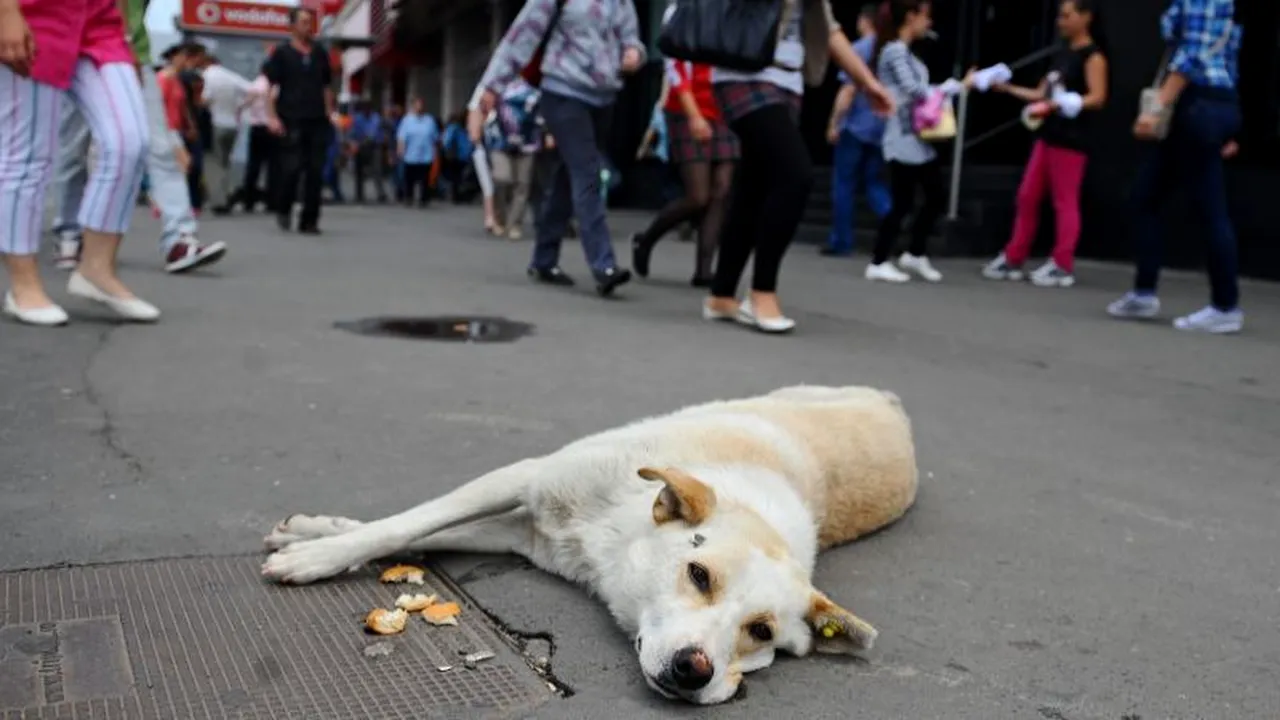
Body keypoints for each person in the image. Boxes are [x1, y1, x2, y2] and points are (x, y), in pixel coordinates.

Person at [702, 0, 895, 331]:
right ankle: (762, 291)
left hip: (788, 81)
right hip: (743, 73)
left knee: (754, 184)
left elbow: (829, 31)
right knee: (795, 175)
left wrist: (867, 83)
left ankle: (721, 294)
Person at [1, 0, 159, 326]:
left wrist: (127, 36)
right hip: (34, 15)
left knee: (130, 141)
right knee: (27, 157)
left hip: (100, 22)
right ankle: (24, 287)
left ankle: (96, 270)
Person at [476, 0, 648, 297]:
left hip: (604, 98)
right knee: (587, 171)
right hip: (563, 92)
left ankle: (544, 259)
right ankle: (603, 264)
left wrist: (635, 53)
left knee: (569, 177)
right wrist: (492, 85)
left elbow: (631, 38)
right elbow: (522, 36)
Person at [1106, 0, 1244, 334]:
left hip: (1198, 101)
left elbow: (1191, 56)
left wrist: (1157, 106)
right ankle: (1144, 292)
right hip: (1211, 102)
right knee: (1145, 198)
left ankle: (1225, 306)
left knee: (1209, 209)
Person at [49, 39, 224, 276]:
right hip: (81, 51)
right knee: (73, 149)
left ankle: (179, 239)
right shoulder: (169, 77)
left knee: (161, 150)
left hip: (132, 56)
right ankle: (69, 233)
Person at [981, 0, 1108, 288]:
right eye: (1059, 16)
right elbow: (1041, 93)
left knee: (1064, 202)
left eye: (1067, 16)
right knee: (1027, 196)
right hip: (1048, 136)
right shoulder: (1062, 54)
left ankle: (1062, 264)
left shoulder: (1093, 57)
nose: (1060, 22)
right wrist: (1008, 88)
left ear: (1086, 17)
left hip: (1072, 140)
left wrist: (1065, 103)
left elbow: (1098, 96)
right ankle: (1014, 257)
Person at [631, 39, 738, 287]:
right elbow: (675, 68)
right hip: (686, 106)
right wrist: (694, 115)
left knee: (721, 190)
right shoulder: (684, 11)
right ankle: (646, 240)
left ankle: (704, 270)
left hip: (725, 106)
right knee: (698, 196)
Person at [865, 0, 956, 285]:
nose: (928, 24)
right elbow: (913, 89)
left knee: (933, 195)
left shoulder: (904, 51)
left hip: (915, 136)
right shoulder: (894, 51)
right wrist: (949, 88)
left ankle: (914, 253)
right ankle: (879, 260)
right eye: (925, 17)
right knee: (904, 200)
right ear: (910, 16)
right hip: (902, 135)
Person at [822, 4, 891, 257]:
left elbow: (848, 91)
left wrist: (834, 122)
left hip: (854, 126)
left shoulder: (859, 49)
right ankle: (889, 217)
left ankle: (841, 240)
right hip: (880, 126)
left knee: (844, 184)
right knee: (874, 181)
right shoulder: (889, 49)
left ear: (865, 21)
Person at [264, 7, 335, 235]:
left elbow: (326, 86)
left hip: (317, 120)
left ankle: (310, 220)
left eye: (309, 22)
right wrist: (272, 117)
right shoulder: (282, 54)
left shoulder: (320, 53)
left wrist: (330, 112)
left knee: (315, 171)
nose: (308, 26)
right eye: (303, 22)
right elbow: (271, 88)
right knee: (292, 169)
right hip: (291, 118)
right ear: (292, 26)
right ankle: (283, 208)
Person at [196, 54, 252, 215]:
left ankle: (219, 201)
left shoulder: (207, 76)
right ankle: (226, 194)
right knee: (226, 162)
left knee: (214, 163)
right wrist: (240, 106)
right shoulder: (231, 76)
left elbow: (204, 99)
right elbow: (253, 90)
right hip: (233, 125)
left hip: (215, 124)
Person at [490, 77, 544, 240]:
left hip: (527, 144)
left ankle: (514, 224)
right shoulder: (495, 90)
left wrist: (546, 133)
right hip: (499, 142)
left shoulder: (534, 94)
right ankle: (500, 217)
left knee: (522, 185)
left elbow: (541, 116)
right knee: (501, 179)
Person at [236, 63, 276, 212]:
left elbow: (247, 102)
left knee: (254, 165)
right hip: (271, 127)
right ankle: (271, 199)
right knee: (272, 165)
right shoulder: (272, 85)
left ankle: (249, 199)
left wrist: (239, 110)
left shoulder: (257, 84)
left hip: (257, 128)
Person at [396, 97, 440, 207]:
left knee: (425, 179)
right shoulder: (407, 120)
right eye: (417, 105)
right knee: (409, 179)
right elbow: (401, 137)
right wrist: (400, 150)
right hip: (411, 155)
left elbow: (435, 138)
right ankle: (409, 197)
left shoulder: (429, 120)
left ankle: (424, 199)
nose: (419, 107)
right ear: (413, 106)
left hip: (426, 155)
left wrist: (436, 152)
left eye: (421, 105)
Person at [348, 100, 389, 203]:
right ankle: (359, 195)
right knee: (359, 171)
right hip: (360, 146)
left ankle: (381, 193)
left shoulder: (376, 118)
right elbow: (352, 132)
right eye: (364, 109)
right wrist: (353, 143)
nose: (366, 111)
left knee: (377, 170)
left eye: (368, 109)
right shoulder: (357, 118)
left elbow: (375, 133)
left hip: (374, 146)